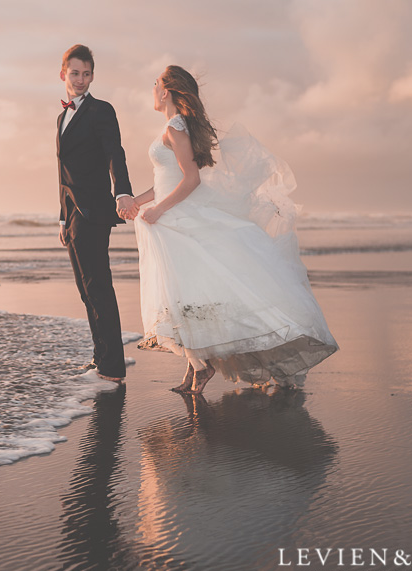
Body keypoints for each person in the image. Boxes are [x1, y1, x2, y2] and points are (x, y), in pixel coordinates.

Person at [117, 65, 337, 393]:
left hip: (176, 217)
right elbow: (166, 182)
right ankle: (196, 368)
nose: (152, 89)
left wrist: (158, 210)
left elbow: (191, 179)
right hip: (171, 213)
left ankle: (200, 367)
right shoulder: (173, 127)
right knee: (183, 293)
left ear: (166, 91)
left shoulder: (176, 128)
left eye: (155, 84)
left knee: (183, 294)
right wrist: (140, 201)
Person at [57, 44, 133, 383]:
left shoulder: (102, 110)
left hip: (95, 212)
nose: (81, 80)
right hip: (72, 214)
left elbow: (115, 152)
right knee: (85, 290)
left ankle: (113, 368)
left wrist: (123, 191)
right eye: (75, 73)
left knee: (99, 287)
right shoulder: (62, 116)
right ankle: (100, 356)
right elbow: (63, 174)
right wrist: (62, 217)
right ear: (63, 74)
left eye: (87, 74)